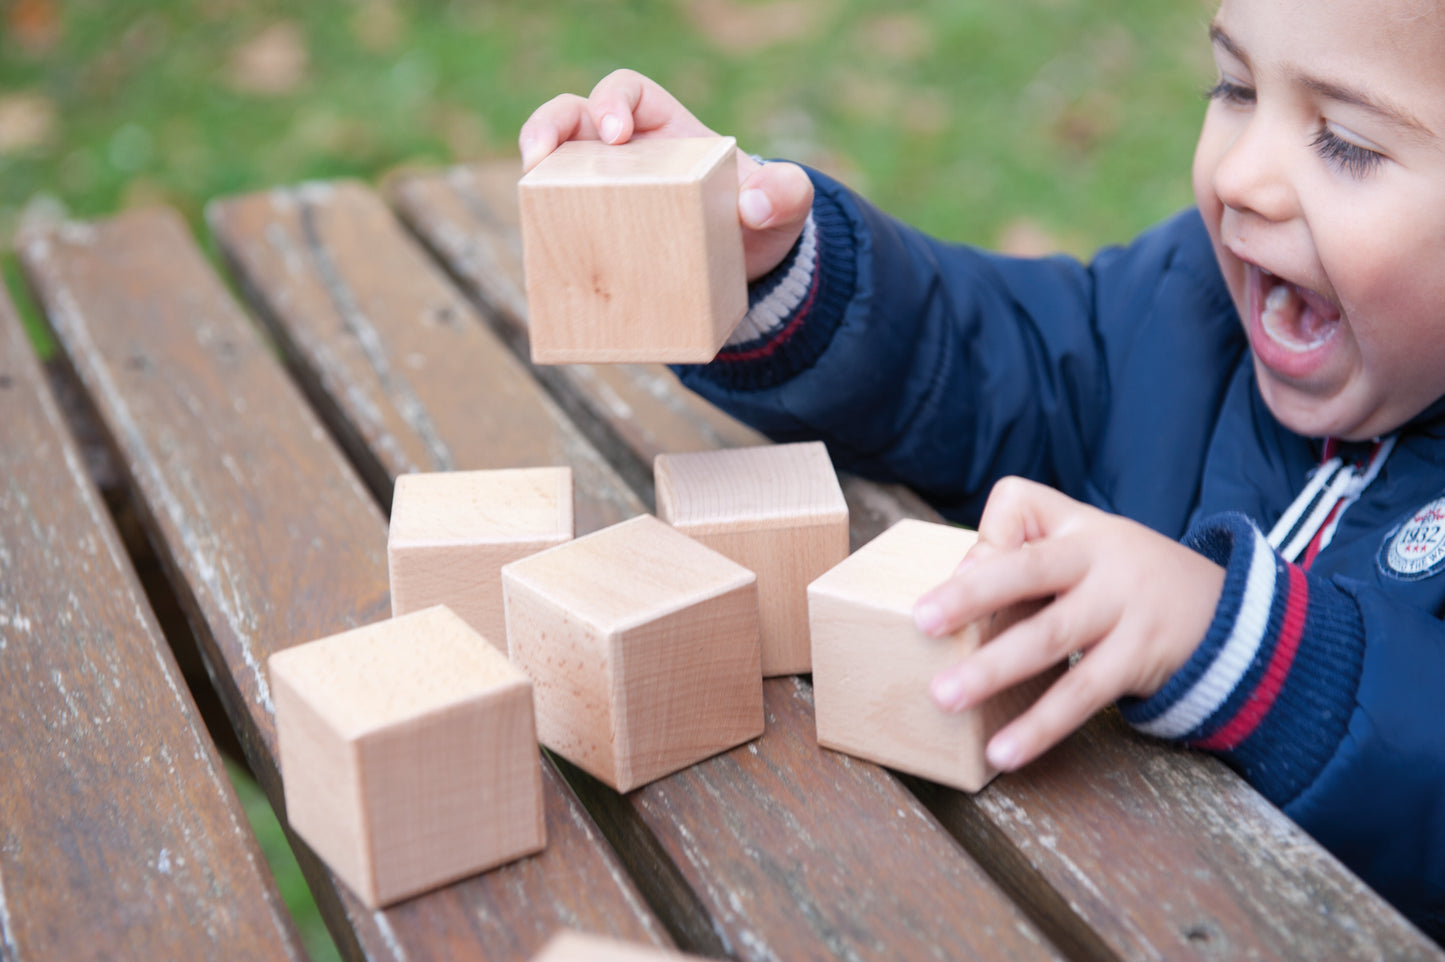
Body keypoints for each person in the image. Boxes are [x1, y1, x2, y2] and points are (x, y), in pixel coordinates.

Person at [520, 0, 1445, 940]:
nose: (1242, 175)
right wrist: (774, 273)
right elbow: (994, 364)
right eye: (1235, 87)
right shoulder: (1191, 307)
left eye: (1347, 144)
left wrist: (1247, 646)